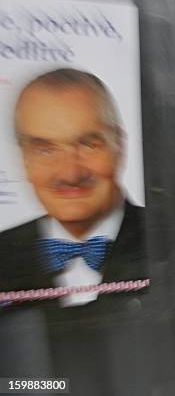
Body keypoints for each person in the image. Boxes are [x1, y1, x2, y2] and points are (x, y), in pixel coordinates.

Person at [0, 68, 146, 308]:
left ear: (119, 147)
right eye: (45, 150)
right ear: (24, 161)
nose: (70, 173)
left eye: (89, 145)